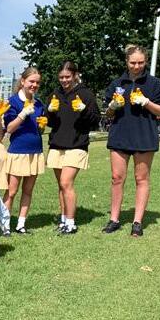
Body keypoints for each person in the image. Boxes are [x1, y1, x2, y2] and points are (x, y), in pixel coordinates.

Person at [102, 45, 160, 237]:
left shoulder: (154, 84)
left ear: (145, 61)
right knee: (117, 178)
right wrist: (113, 106)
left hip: (144, 136)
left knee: (141, 179)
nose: (137, 66)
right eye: (133, 63)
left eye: (140, 62)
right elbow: (107, 113)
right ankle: (114, 219)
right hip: (120, 135)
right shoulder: (117, 83)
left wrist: (146, 102)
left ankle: (137, 222)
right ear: (126, 62)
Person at [45, 61, 100, 234]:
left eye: (67, 77)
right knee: (61, 186)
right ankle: (63, 220)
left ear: (75, 75)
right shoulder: (55, 94)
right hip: (57, 144)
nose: (64, 80)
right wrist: (49, 111)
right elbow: (50, 122)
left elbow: (95, 120)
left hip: (77, 144)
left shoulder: (86, 94)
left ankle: (71, 223)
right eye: (61, 77)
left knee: (66, 182)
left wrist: (84, 110)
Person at [3, 67, 46, 234]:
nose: (34, 85)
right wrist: (22, 114)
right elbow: (9, 128)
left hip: (35, 151)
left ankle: (21, 224)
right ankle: (5, 225)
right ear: (23, 81)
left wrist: (42, 125)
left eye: (37, 82)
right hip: (17, 151)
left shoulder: (39, 104)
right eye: (31, 81)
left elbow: (38, 129)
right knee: (12, 191)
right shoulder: (12, 102)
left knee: (28, 191)